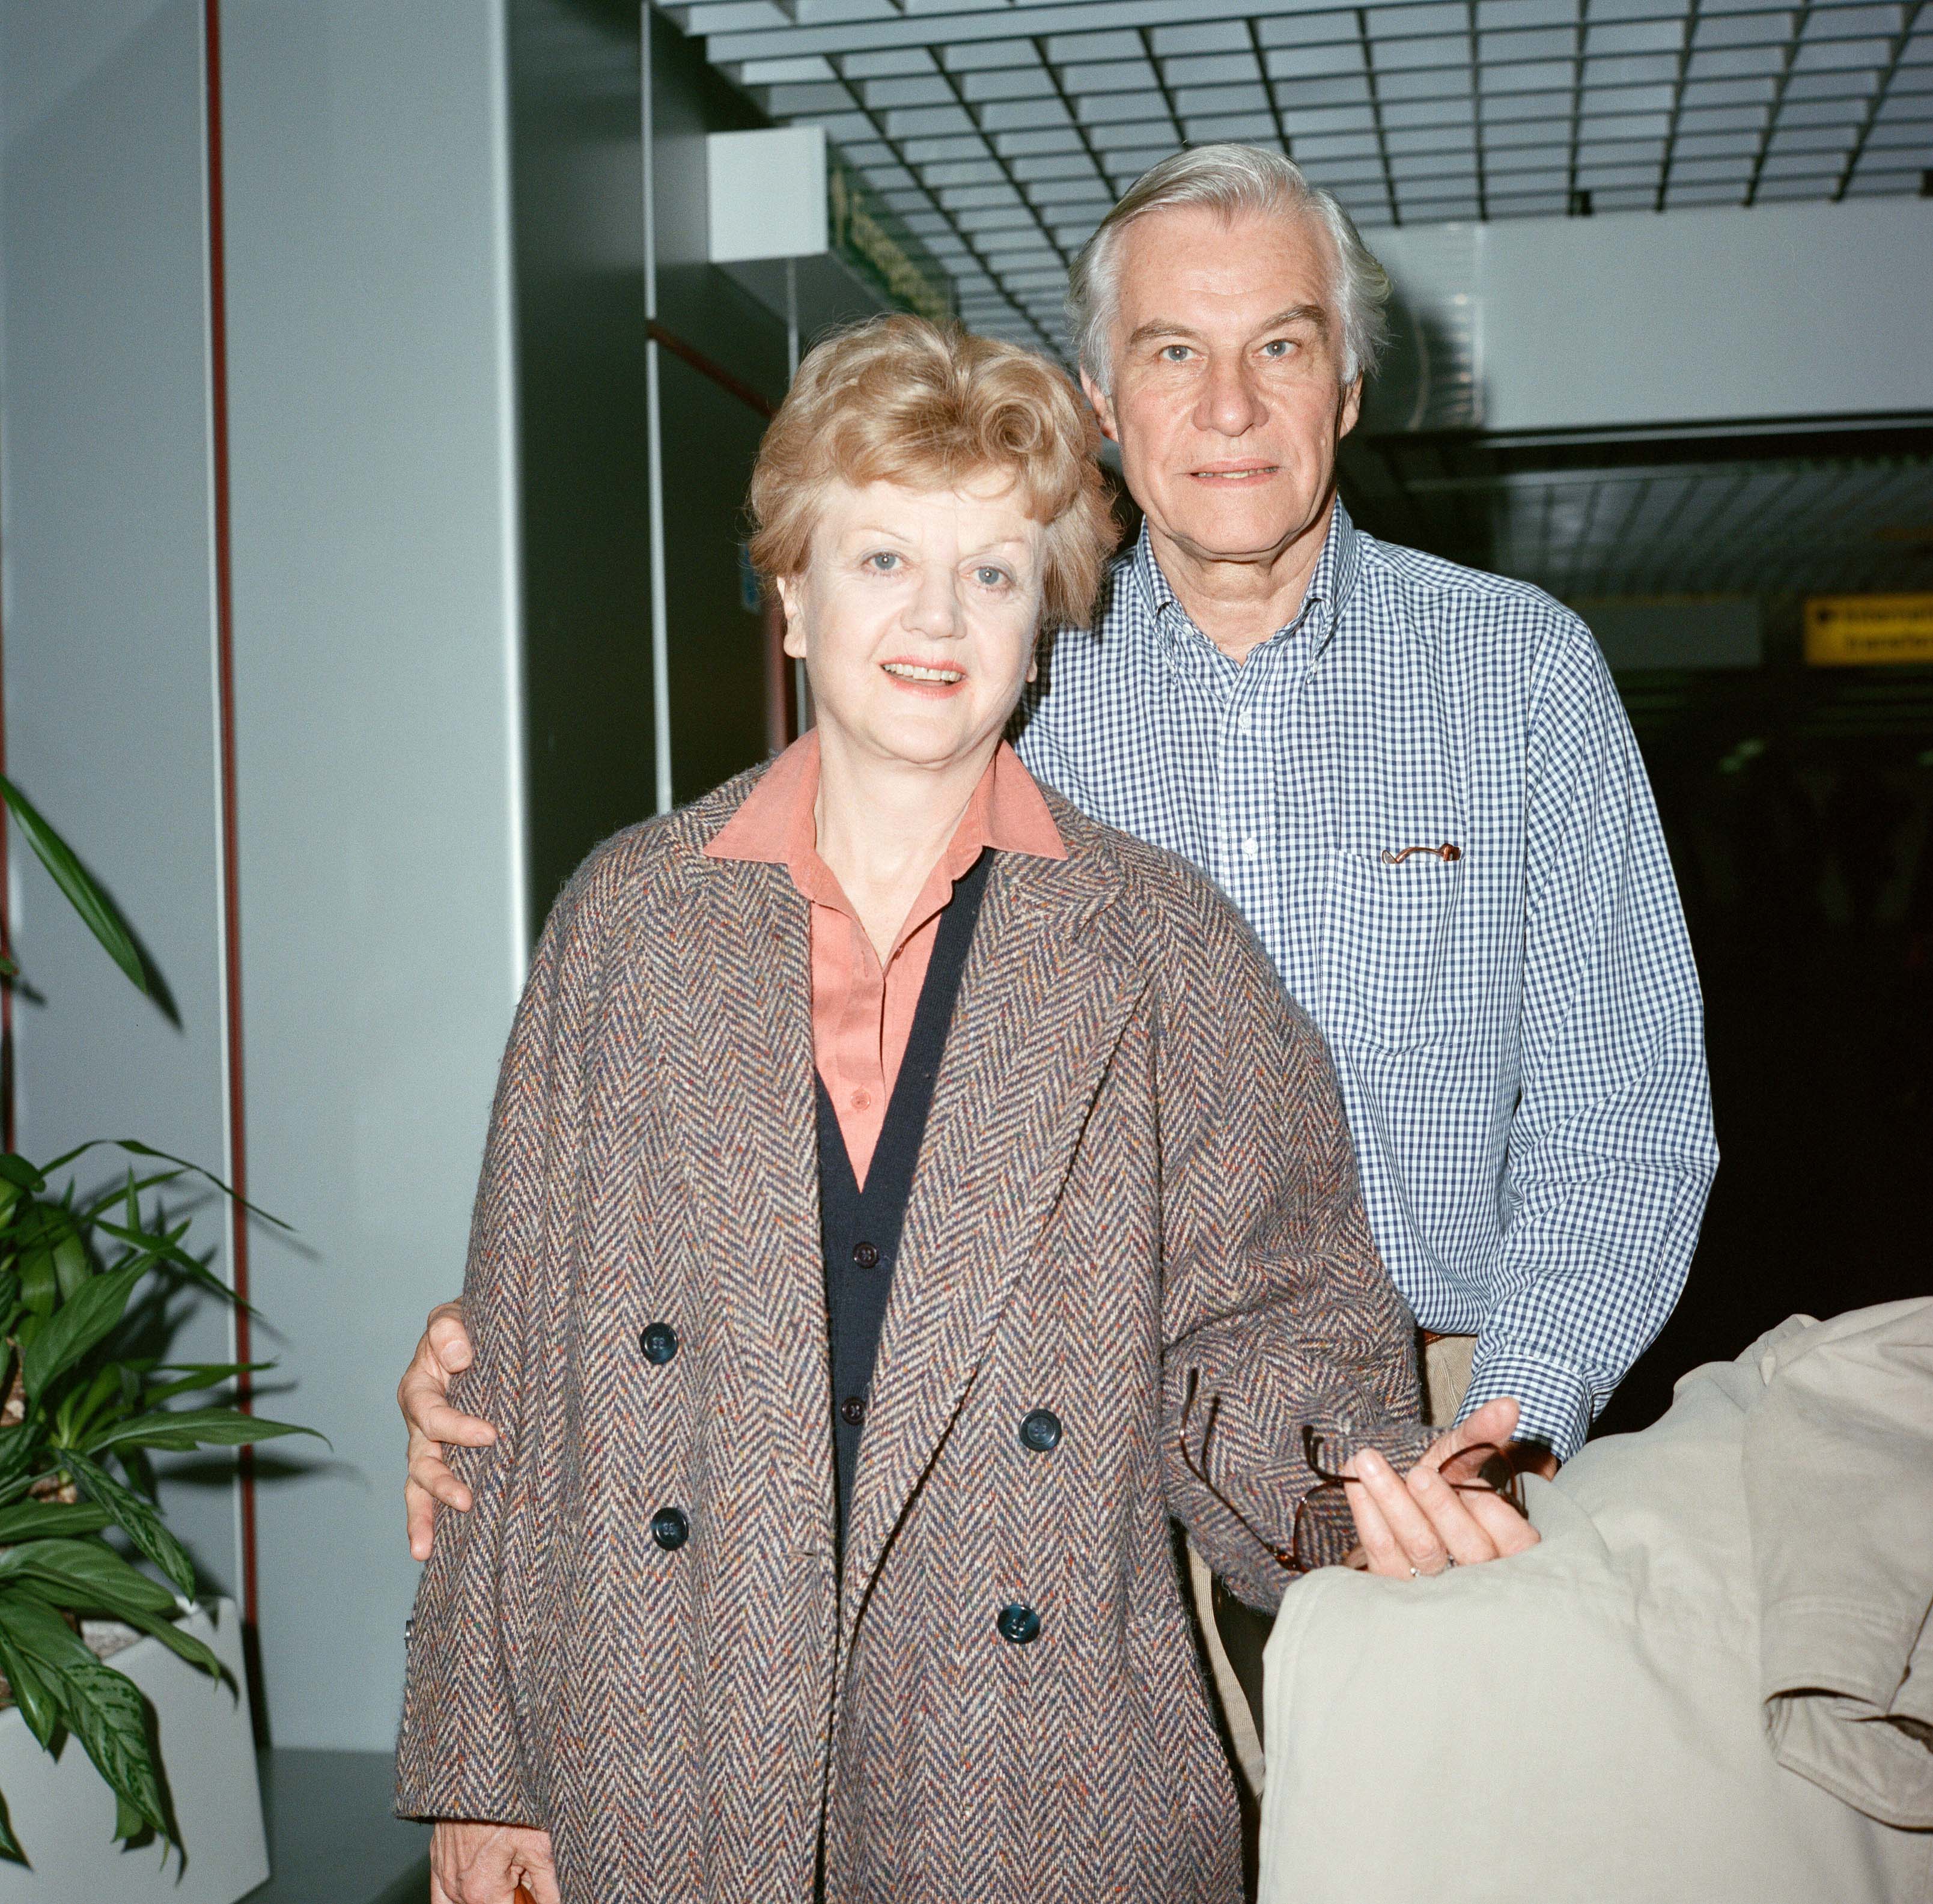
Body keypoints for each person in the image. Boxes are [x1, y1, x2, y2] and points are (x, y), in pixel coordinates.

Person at [401, 144, 1715, 1771]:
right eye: (1173, 351)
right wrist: (540, 1335)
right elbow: (803, 1045)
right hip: (1035, 1417)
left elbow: (1625, 1119)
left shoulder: (1517, 680)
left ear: (1351, 384)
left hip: (1440, 1407)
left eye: (1281, 345)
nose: (1229, 403)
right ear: (1103, 395)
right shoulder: (1007, 669)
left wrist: (1506, 1422)